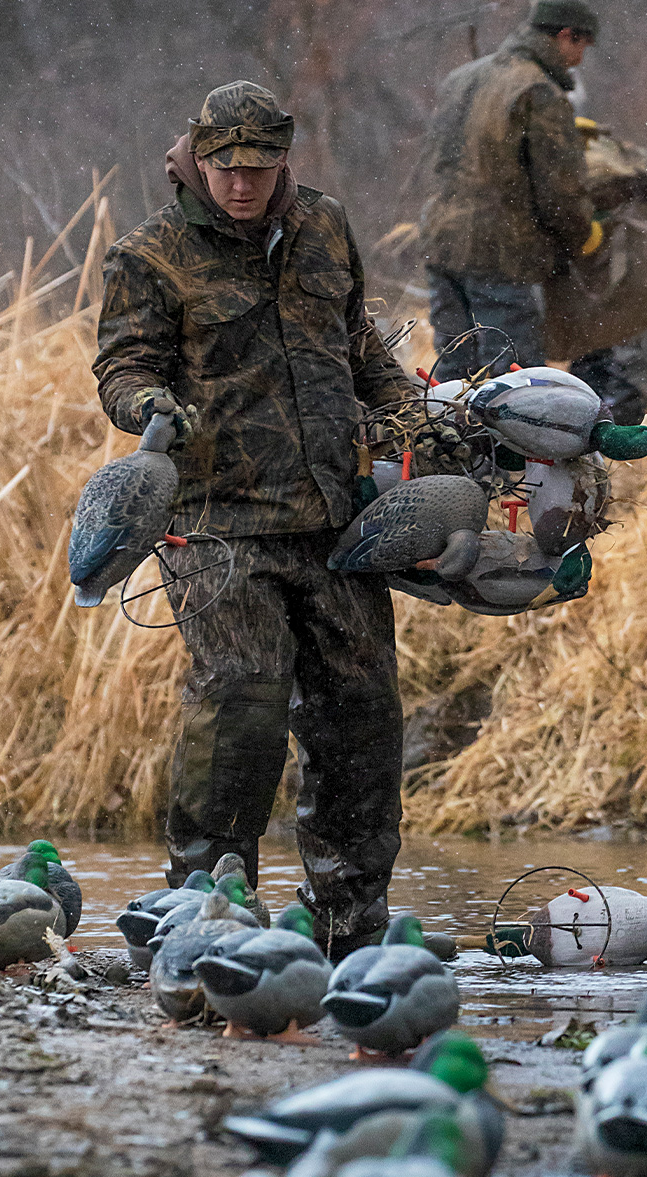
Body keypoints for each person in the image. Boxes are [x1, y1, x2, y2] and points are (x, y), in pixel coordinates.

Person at [91, 81, 418, 961]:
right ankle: (207, 916)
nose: (242, 184)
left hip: (333, 522)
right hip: (216, 523)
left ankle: (352, 929)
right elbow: (121, 367)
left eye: (261, 167)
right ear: (198, 157)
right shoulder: (148, 255)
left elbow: (360, 350)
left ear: (285, 161)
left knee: (362, 715)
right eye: (226, 167)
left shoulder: (326, 225)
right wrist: (148, 401)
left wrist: (410, 414)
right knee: (242, 705)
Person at [420, 0, 601, 381]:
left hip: (442, 246)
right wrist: (581, 236)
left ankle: (450, 443)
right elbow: (561, 193)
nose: (579, 60)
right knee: (517, 388)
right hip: (501, 257)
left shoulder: (460, 79)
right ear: (566, 35)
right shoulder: (538, 91)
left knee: (452, 382)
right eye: (581, 47)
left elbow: (441, 166)